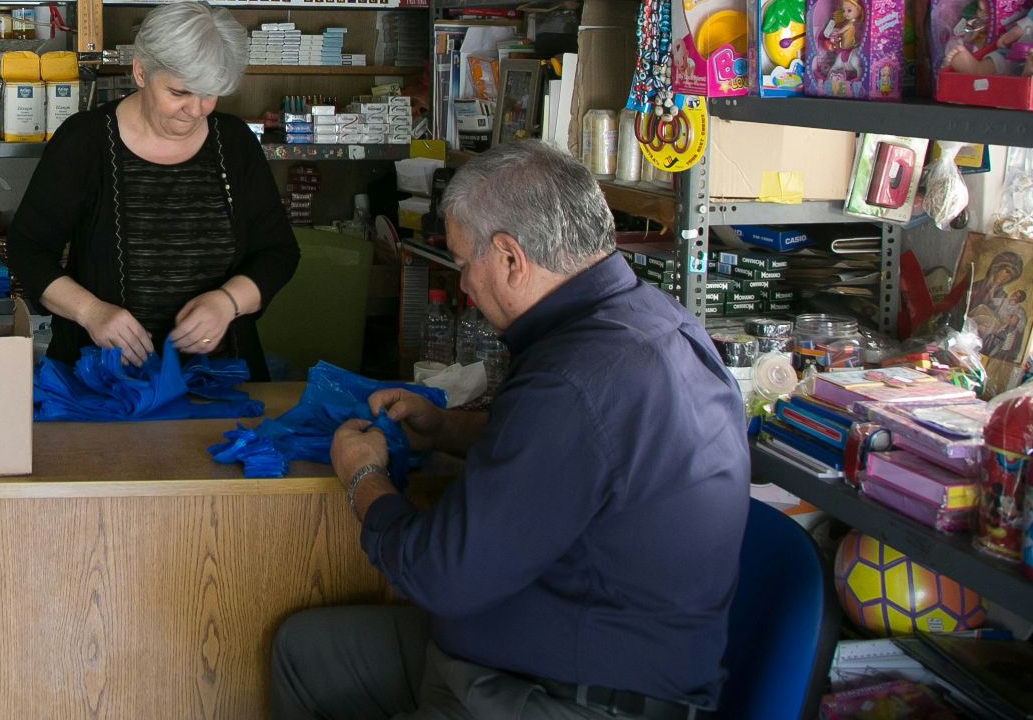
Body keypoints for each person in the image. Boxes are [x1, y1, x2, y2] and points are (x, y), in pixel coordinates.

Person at [272, 140, 751, 720]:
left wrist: (363, 478)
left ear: (509, 257)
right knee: (309, 652)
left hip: (570, 695)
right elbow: (584, 458)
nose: (465, 285)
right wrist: (446, 428)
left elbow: (441, 575)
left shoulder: (574, 378)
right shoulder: (657, 321)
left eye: (462, 260)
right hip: (532, 652)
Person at [8, 2, 299, 380]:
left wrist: (227, 303)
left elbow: (278, 251)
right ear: (141, 72)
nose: (196, 110)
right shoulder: (85, 142)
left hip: (220, 379)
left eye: (210, 95)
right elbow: (27, 249)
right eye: (179, 92)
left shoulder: (234, 143)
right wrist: (91, 312)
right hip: (103, 382)